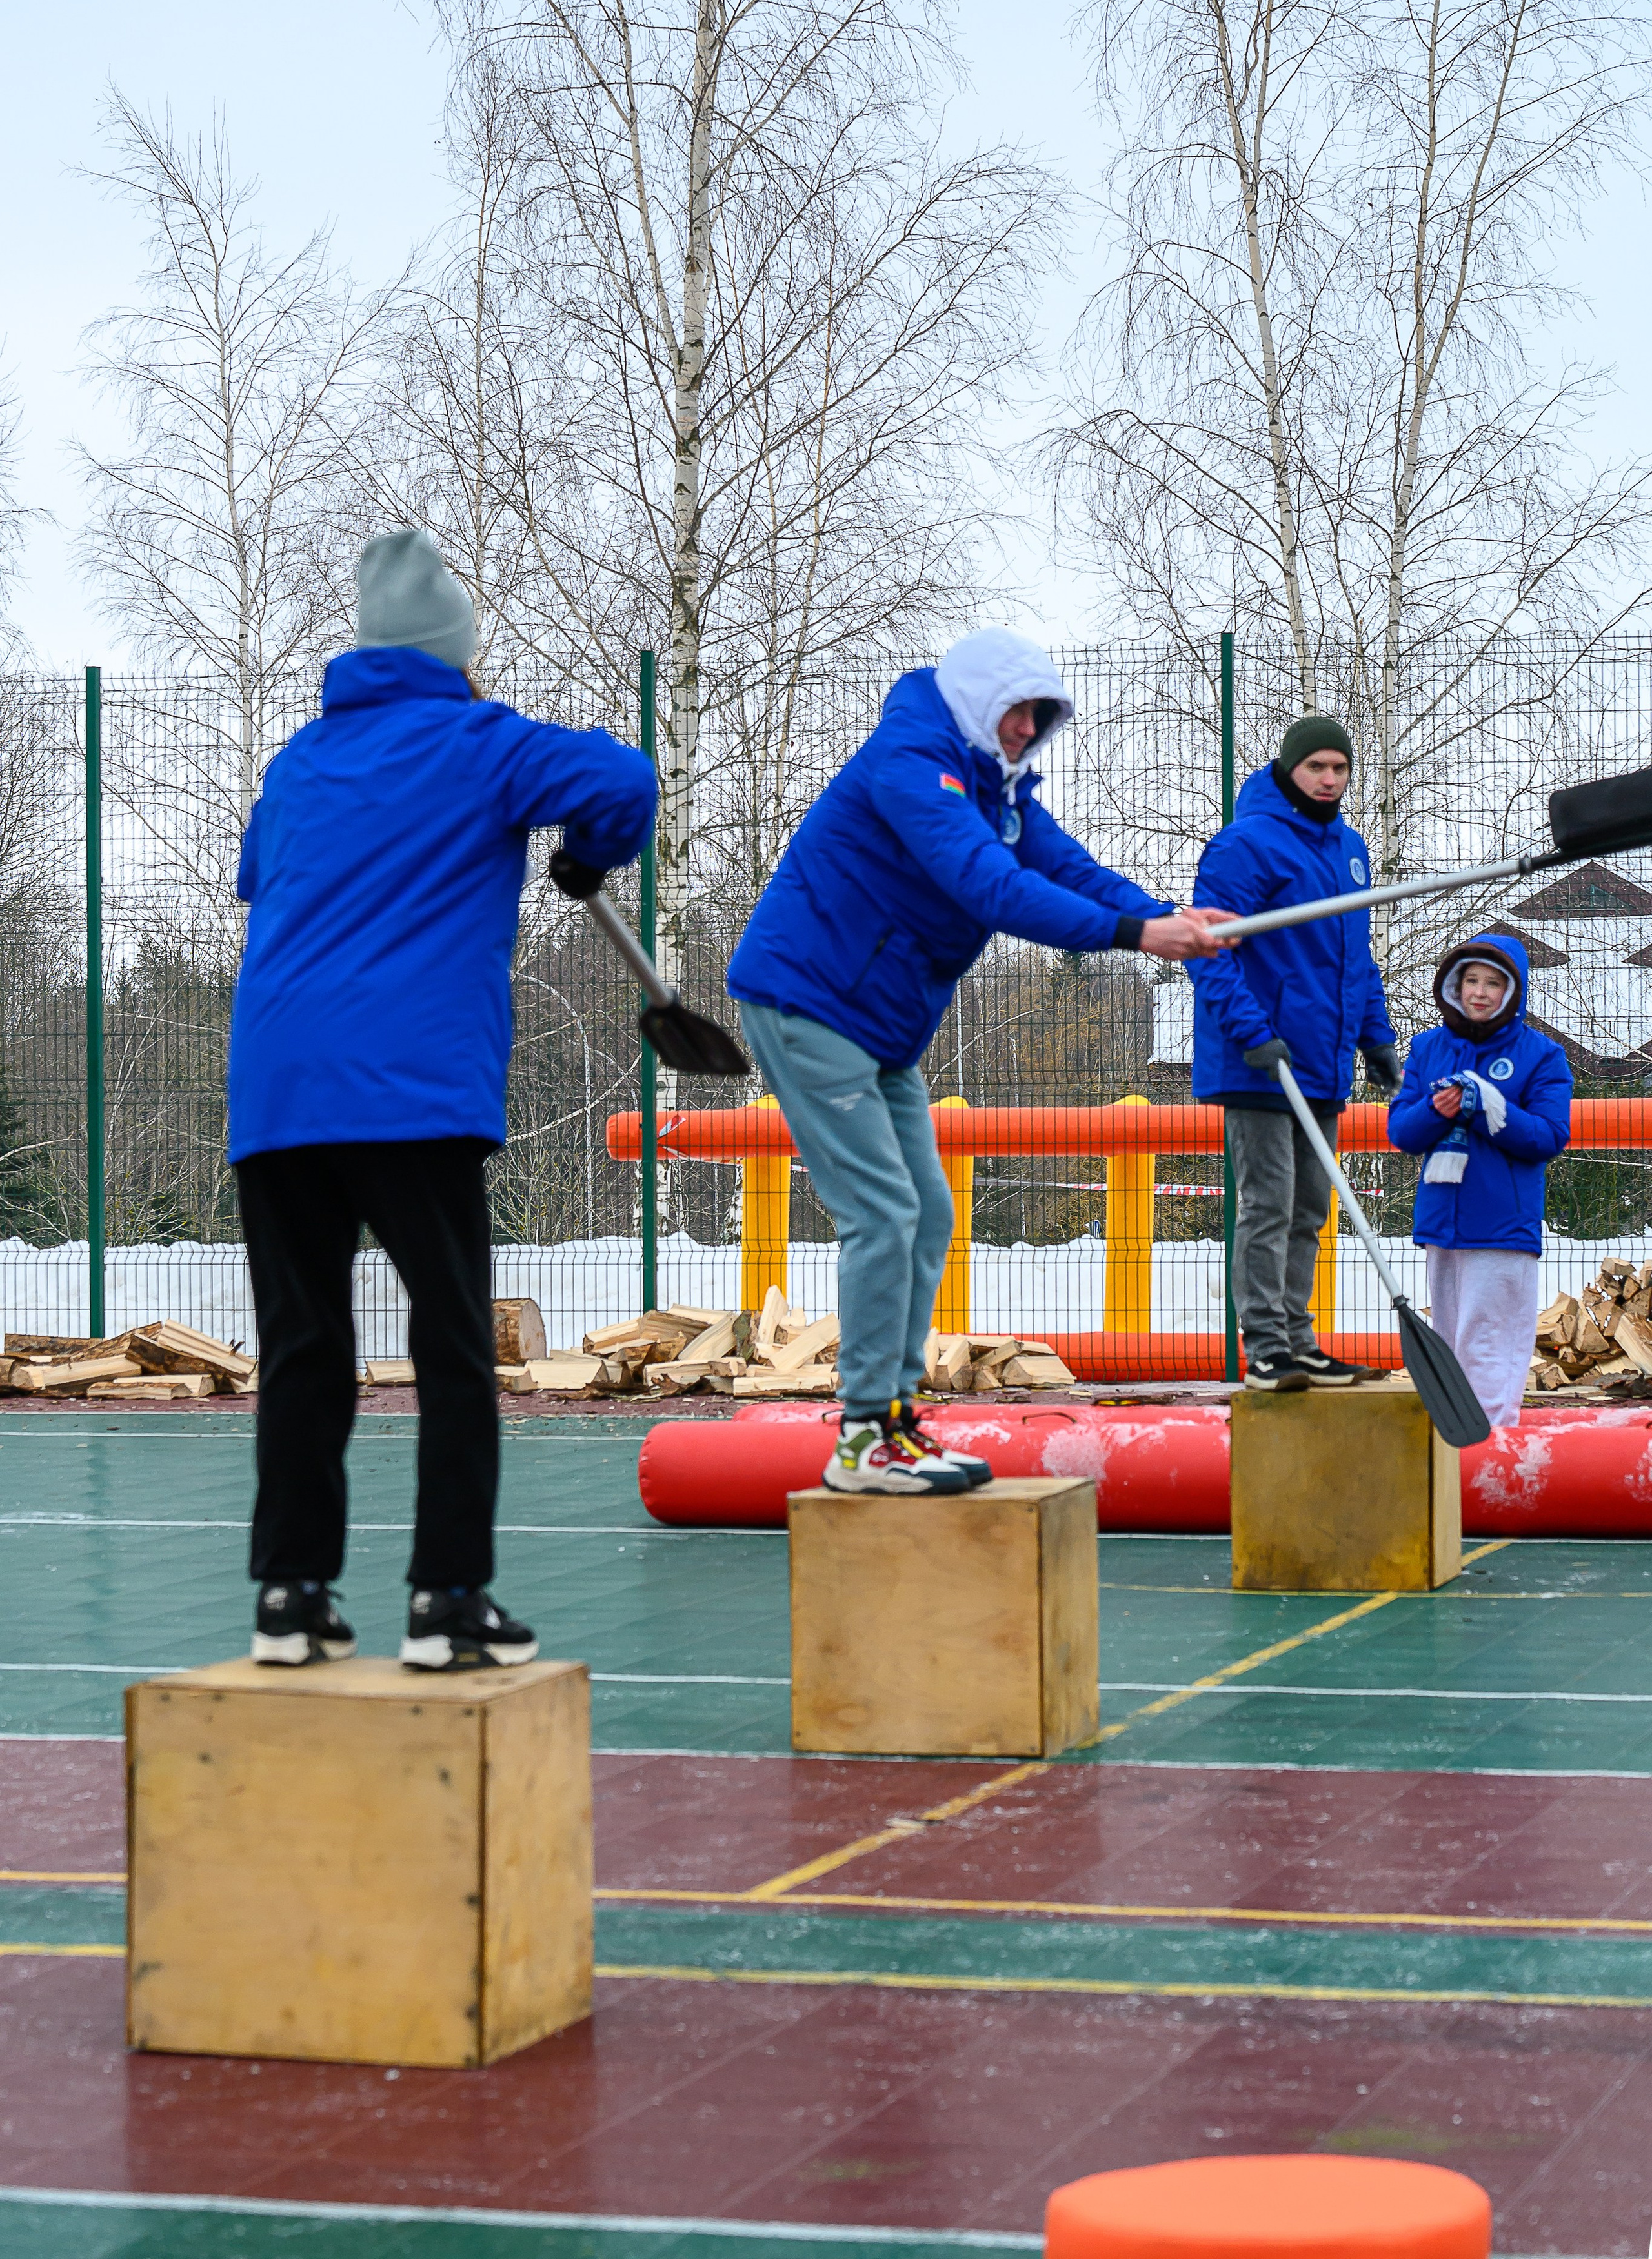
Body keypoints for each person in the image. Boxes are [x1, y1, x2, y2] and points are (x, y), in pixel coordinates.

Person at [230, 529, 656, 1671]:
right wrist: (583, 852)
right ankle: (448, 1601)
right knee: (455, 1344)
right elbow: (624, 781)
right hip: (410, 1090)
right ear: (457, 653)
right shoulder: (483, 741)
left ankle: (290, 1596)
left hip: (277, 1093)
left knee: (304, 1348)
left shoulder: (300, 763)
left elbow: (255, 875)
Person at [727, 630, 1234, 1495]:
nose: (1025, 729)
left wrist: (1165, 918)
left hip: (877, 1024)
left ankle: (891, 1420)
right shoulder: (912, 763)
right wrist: (1133, 934)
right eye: (1014, 711)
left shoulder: (996, 788)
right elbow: (987, 886)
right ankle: (862, 1441)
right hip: (805, 1000)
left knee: (926, 1213)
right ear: (975, 702)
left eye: (1040, 717)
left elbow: (1066, 867)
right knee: (882, 1212)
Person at [1191, 715, 1401, 1391]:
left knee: (1311, 1205)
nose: (1329, 779)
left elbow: (1354, 958)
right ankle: (1266, 1347)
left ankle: (1300, 1340)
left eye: (1339, 768)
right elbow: (1208, 951)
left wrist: (1376, 1036)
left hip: (1322, 1058)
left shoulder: (1350, 850)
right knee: (1269, 1202)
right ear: (1289, 768)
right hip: (1261, 1060)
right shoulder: (1245, 846)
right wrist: (1252, 1034)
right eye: (1316, 767)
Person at [1385, 934, 1571, 1432]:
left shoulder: (1542, 1056)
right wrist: (1436, 1109)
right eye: (1472, 980)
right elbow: (1402, 1131)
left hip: (1503, 1229)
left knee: (1488, 1343)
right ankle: (1455, 1456)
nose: (1481, 992)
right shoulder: (1428, 1047)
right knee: (1450, 1342)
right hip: (1441, 1225)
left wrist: (1492, 1110)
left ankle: (1490, 1456)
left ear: (1514, 991)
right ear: (1455, 985)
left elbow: (1549, 1137)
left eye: (1494, 982)